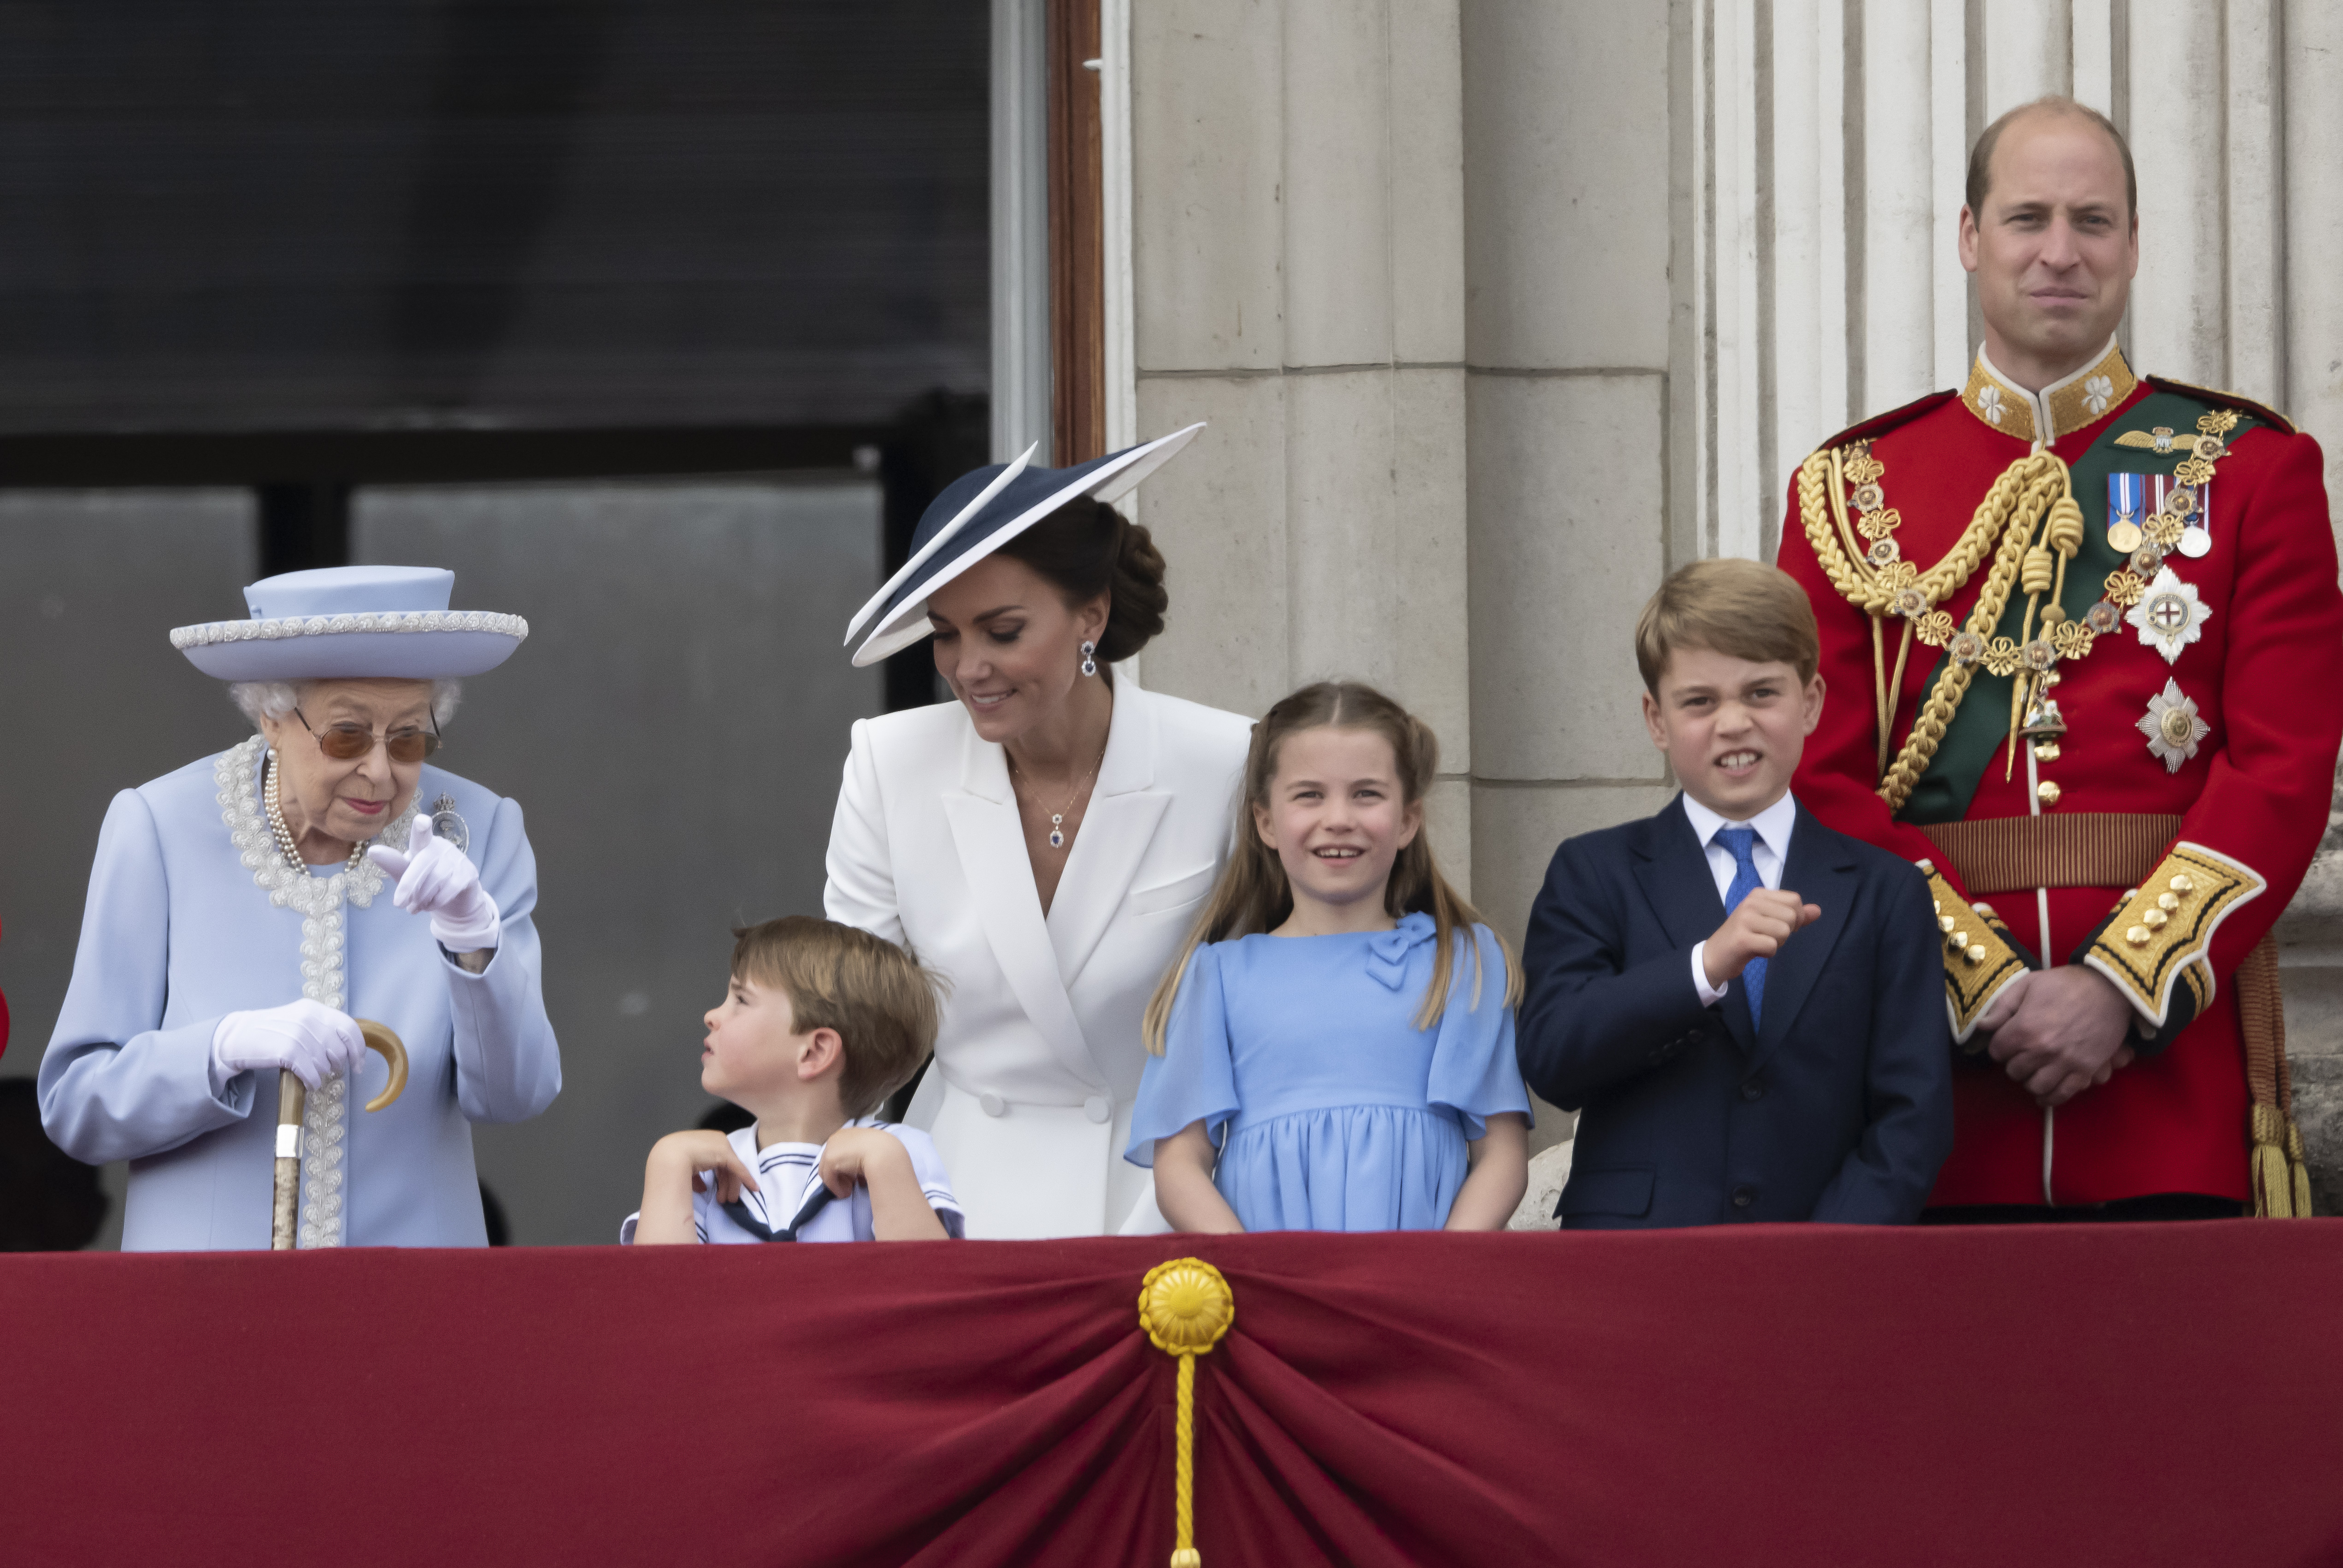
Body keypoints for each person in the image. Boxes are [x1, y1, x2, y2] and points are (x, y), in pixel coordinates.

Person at [1775, 96, 2343, 1220]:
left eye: (2092, 221)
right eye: (2026, 217)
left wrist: (2120, 990)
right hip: (1928, 1090)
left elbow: (2281, 769)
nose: (2059, 251)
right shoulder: (1849, 490)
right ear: (1968, 237)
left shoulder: (2251, 470)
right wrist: (1979, 990)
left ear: (2132, 245)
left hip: (2163, 1086)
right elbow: (1813, 775)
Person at [40, 565, 561, 1248]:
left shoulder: (481, 828)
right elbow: (78, 1106)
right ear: (273, 719)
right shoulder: (160, 826)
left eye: (408, 738)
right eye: (348, 735)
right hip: (206, 1297)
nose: (380, 771)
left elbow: (518, 1095)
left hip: (413, 1297)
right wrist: (218, 1049)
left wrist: (475, 944)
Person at [824, 428, 1255, 1238]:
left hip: (1164, 1201)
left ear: (1089, 614)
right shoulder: (889, 764)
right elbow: (851, 1023)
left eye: (1002, 630)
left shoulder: (1227, 761)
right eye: (944, 632)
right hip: (953, 1205)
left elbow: (1268, 1012)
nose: (966, 666)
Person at [1515, 560, 1954, 1228]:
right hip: (1636, 1264)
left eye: (1760, 694)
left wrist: (1826, 1252)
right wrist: (1703, 968)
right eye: (1700, 701)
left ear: (1809, 703)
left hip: (1819, 1265)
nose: (1733, 722)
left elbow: (1913, 1111)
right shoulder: (1595, 870)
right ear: (1656, 719)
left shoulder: (1884, 889)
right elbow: (1554, 1057)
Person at [1127, 681, 1531, 1233]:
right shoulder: (1215, 976)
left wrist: (1441, 1272)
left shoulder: (1461, 962)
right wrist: (1256, 1276)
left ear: (1408, 820)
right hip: (1269, 1289)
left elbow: (1501, 1155)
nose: (1338, 817)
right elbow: (1181, 1163)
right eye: (1309, 795)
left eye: (1366, 794)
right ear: (1265, 822)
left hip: (1418, 1287)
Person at [624, 916, 960, 1244]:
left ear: (813, 1052)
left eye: (741, 1000)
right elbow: (659, 1294)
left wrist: (887, 1167)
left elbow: (931, 1288)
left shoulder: (896, 1153)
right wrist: (667, 1164)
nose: (711, 1016)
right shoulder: (700, 1171)